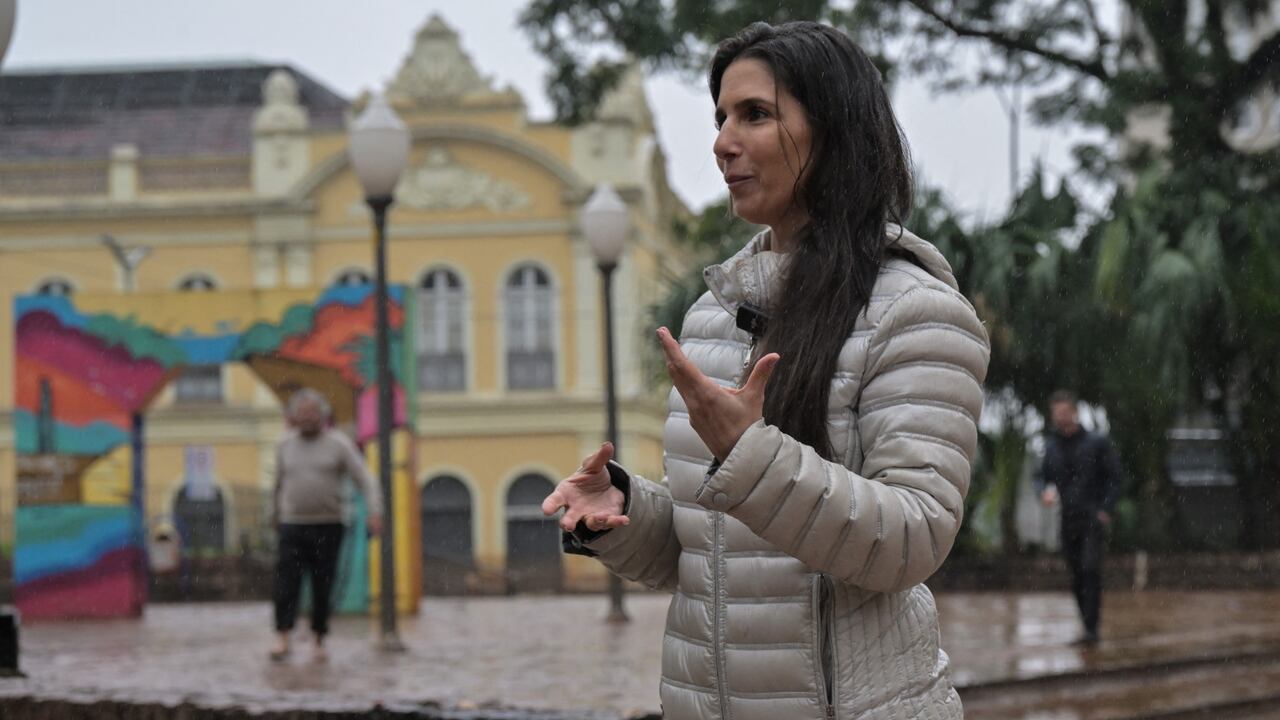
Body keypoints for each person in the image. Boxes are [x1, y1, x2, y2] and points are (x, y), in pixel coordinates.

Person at [542, 21, 989, 719]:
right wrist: (623, 516)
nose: (723, 142)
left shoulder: (917, 314)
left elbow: (912, 538)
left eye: (755, 115)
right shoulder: (713, 318)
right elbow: (716, 558)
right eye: (720, 117)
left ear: (833, 131)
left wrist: (754, 457)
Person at [270, 388, 383, 662]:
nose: (308, 418)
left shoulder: (339, 444)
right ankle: (283, 636)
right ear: (294, 416)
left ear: (323, 415)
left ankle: (319, 638)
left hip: (328, 524)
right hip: (292, 523)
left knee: (323, 584)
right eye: (303, 412)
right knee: (286, 583)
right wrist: (273, 514)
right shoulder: (284, 445)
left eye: (313, 412)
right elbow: (276, 484)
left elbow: (365, 479)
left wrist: (375, 511)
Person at [1039, 390, 1122, 646]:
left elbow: (1115, 477)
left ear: (1074, 412)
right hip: (1068, 518)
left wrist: (1106, 508)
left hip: (1092, 517)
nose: (1061, 417)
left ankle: (1092, 628)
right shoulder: (1051, 447)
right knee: (1075, 573)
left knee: (1090, 569)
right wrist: (1043, 491)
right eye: (1057, 413)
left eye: (1065, 412)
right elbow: (1041, 477)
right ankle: (1087, 624)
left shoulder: (1097, 442)